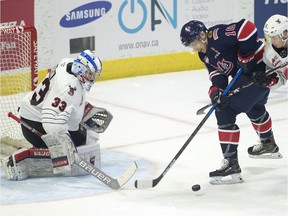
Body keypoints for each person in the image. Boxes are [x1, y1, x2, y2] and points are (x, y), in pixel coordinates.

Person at [180, 19, 283, 184]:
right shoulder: (203, 54)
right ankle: (268, 143)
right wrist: (216, 92)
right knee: (254, 107)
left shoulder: (218, 35)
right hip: (254, 78)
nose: (194, 48)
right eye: (190, 46)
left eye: (194, 43)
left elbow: (247, 27)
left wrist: (245, 55)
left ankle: (231, 163)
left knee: (225, 111)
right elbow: (216, 74)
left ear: (201, 35)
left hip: (260, 71)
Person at [1, 50, 113, 180]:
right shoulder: (67, 89)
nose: (92, 78)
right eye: (89, 74)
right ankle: (23, 160)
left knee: (88, 137)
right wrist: (65, 142)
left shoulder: (68, 63)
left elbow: (62, 98)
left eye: (94, 75)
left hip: (36, 112)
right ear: (80, 69)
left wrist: (81, 109)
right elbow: (50, 121)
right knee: (80, 144)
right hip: (34, 124)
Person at [252, 14, 287, 90]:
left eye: (274, 37)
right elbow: (281, 78)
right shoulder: (269, 53)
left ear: (285, 34)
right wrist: (270, 79)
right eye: (270, 38)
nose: (272, 41)